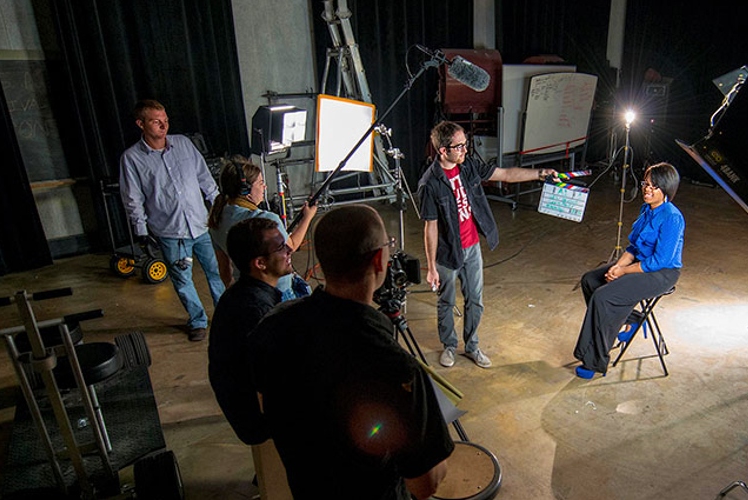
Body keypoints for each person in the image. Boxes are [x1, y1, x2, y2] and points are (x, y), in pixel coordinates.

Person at [249, 205, 454, 499]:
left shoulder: (273, 327)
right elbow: (425, 484)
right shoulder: (396, 369)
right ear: (378, 260)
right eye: (387, 245)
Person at [418, 120, 555, 369]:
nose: (465, 150)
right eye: (459, 147)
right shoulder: (430, 184)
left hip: (472, 248)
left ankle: (472, 346)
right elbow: (431, 227)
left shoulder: (468, 166)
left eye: (465, 144)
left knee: (475, 300)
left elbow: (504, 174)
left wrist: (539, 174)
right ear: (443, 150)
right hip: (448, 253)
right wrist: (431, 267)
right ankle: (449, 346)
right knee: (446, 302)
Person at [120, 99, 224, 341]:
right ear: (141, 124)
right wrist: (141, 230)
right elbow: (132, 197)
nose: (162, 125)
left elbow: (204, 177)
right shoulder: (132, 159)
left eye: (165, 120)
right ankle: (197, 320)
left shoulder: (184, 144)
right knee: (182, 278)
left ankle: (224, 314)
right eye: (156, 121)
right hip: (171, 232)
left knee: (216, 271)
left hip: (200, 224)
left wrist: (219, 205)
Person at [572, 162, 685, 379]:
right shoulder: (646, 209)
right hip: (640, 263)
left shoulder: (672, 217)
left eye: (654, 186)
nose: (647, 189)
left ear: (666, 189)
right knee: (591, 281)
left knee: (603, 297)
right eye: (646, 184)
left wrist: (624, 272)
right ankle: (633, 319)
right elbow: (633, 247)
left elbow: (660, 260)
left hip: (662, 272)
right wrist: (617, 267)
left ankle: (595, 360)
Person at [207, 217, 293, 498]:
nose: (289, 250)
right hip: (253, 417)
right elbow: (274, 377)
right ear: (260, 263)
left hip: (247, 403)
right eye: (281, 247)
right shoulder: (254, 310)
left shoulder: (246, 294)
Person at [207, 155, 317, 301]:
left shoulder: (216, 220)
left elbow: (224, 269)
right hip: (279, 291)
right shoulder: (266, 220)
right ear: (245, 190)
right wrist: (307, 217)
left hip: (249, 292)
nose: (264, 187)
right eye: (260, 183)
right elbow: (292, 246)